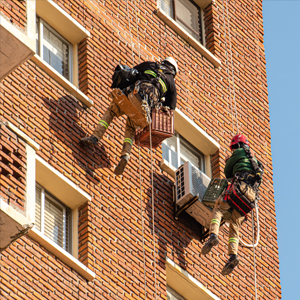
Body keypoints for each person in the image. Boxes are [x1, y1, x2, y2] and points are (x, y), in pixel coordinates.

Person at [80, 57, 178, 175]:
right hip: (144, 109)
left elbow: (132, 73)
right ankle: (125, 155)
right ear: (173, 71)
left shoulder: (150, 65)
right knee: (131, 128)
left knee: (111, 112)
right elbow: (170, 108)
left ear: (163, 62)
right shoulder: (171, 82)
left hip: (132, 95)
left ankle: (95, 137)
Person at [201, 134, 263, 275]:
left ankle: (213, 235)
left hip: (239, 189)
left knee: (218, 207)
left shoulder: (238, 152)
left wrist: (229, 160)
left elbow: (227, 172)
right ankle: (233, 256)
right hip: (250, 198)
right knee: (235, 226)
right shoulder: (257, 163)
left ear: (237, 146)